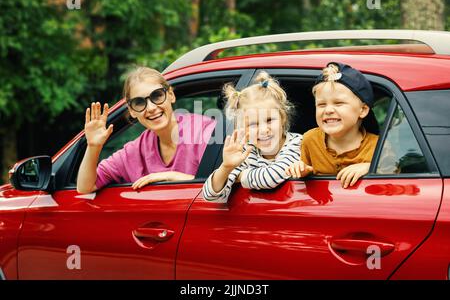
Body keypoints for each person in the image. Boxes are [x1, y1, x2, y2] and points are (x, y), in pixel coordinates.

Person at [76, 66, 216, 193]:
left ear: (171, 95)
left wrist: (171, 177)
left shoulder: (204, 131)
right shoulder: (135, 150)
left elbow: (229, 179)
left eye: (157, 96)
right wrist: (93, 146)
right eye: (139, 102)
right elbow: (85, 187)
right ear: (132, 111)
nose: (151, 108)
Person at [202, 71, 302, 203]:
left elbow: (271, 177)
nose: (263, 130)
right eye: (253, 124)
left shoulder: (297, 143)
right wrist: (226, 167)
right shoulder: (248, 152)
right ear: (243, 128)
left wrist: (240, 176)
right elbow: (210, 196)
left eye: (269, 120)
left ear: (282, 118)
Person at [286, 62, 378, 189]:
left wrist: (371, 168)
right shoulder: (309, 140)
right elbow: (302, 181)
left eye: (339, 103)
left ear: (362, 110)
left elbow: (394, 181)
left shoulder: (378, 146)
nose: (328, 110)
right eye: (321, 105)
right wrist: (303, 170)